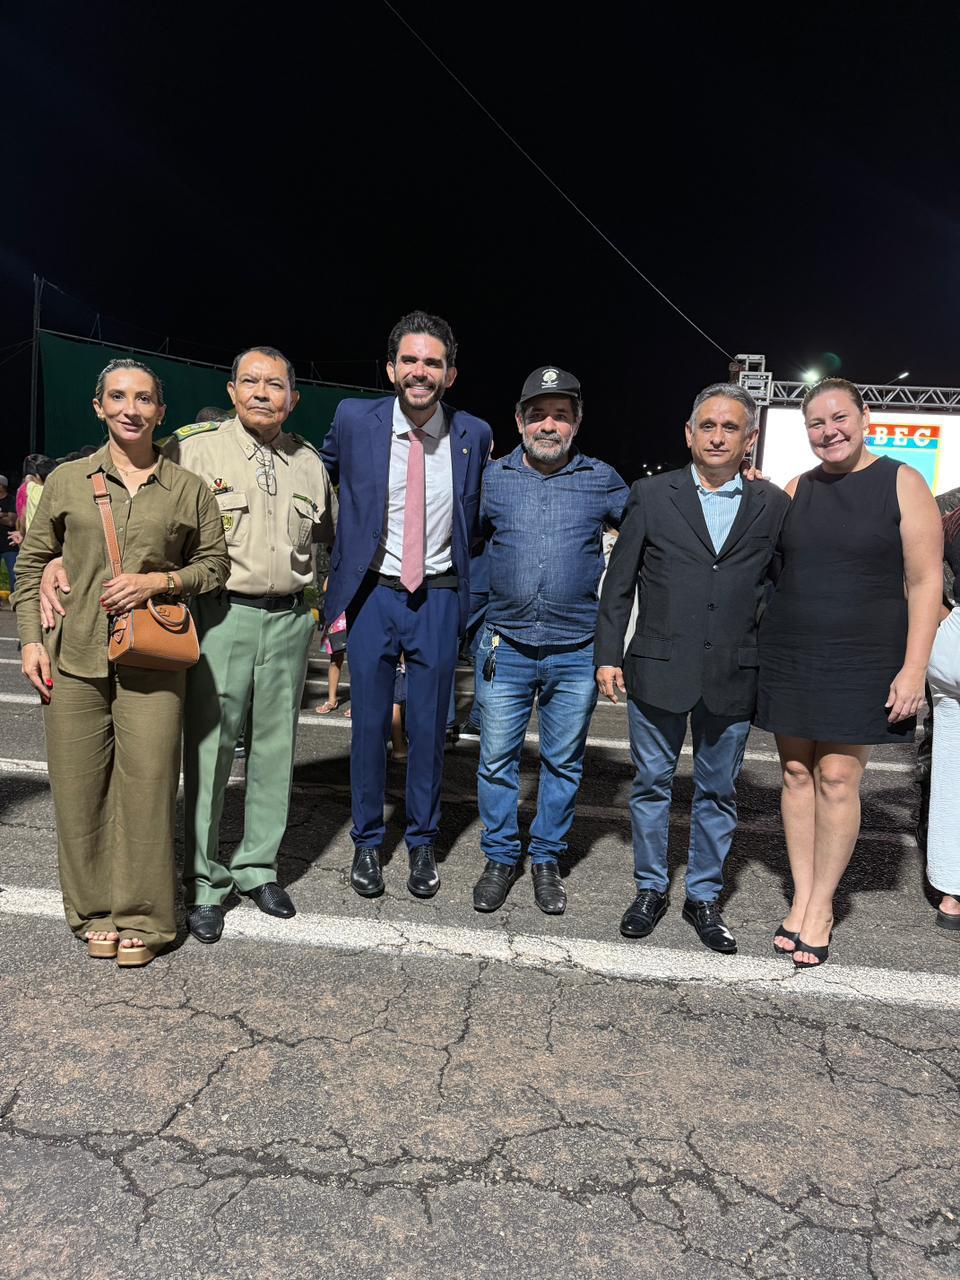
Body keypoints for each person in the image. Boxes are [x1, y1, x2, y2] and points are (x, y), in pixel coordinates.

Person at [39, 346, 336, 946]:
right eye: (249, 381)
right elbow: (126, 495)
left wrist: (317, 612)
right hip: (219, 614)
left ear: (293, 397)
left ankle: (259, 867)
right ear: (231, 391)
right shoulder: (191, 447)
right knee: (208, 749)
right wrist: (57, 559)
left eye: (274, 384)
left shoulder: (310, 463)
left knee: (276, 749)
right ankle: (203, 879)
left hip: (288, 619)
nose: (261, 393)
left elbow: (323, 540)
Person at [14, 359, 229, 966]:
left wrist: (158, 581)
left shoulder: (188, 488)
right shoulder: (67, 480)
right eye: (117, 397)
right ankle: (93, 912)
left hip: (153, 657)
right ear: (99, 406)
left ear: (161, 411)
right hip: (73, 654)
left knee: (150, 789)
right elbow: (33, 563)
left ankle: (146, 918)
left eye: (143, 398)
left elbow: (215, 565)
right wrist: (30, 640)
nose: (130, 408)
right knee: (79, 790)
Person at [595, 383, 790, 953]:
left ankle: (703, 895)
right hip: (657, 668)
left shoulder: (772, 504)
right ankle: (650, 888)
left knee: (718, 792)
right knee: (651, 785)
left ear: (750, 439)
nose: (718, 437)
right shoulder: (652, 495)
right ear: (689, 433)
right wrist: (606, 655)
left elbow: (780, 591)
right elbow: (619, 582)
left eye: (731, 428)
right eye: (708, 425)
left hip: (734, 672)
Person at [756, 377, 942, 967]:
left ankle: (821, 905)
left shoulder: (902, 482)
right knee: (795, 774)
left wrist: (913, 668)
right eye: (816, 423)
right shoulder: (796, 487)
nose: (829, 431)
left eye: (839, 418)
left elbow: (925, 582)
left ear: (865, 419)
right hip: (793, 649)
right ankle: (800, 892)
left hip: (864, 656)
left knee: (837, 776)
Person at [320, 310, 491, 900]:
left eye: (433, 362)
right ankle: (368, 842)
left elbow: (475, 519)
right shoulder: (353, 419)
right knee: (369, 726)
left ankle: (422, 841)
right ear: (392, 368)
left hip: (438, 594)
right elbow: (317, 478)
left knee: (428, 728)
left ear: (450, 374)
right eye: (410, 360)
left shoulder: (474, 434)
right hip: (372, 593)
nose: (421, 371)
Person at [472, 367, 629, 914]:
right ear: (519, 420)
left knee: (563, 763)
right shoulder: (491, 479)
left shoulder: (601, 478)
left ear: (576, 423)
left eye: (560, 416)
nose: (548, 425)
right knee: (496, 760)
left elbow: (652, 525)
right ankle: (499, 856)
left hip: (576, 649)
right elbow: (462, 541)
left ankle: (545, 858)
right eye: (538, 414)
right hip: (505, 645)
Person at [926, 501, 960, 930]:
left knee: (952, 772)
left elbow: (909, 562)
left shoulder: (950, 507)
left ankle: (953, 891)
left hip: (953, 641)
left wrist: (946, 620)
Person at [0, 474, 17, 598]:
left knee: (13, 575)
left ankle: (14, 600)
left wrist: (4, 516)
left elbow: (11, 521)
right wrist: (3, 515)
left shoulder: (11, 500)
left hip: (9, 544)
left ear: (2, 486)